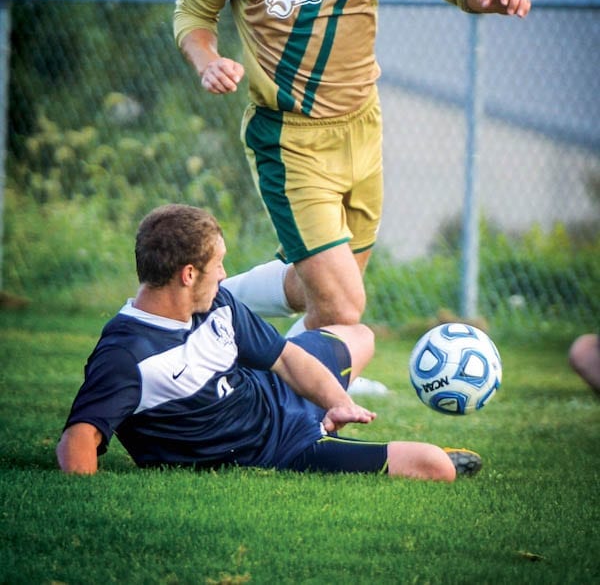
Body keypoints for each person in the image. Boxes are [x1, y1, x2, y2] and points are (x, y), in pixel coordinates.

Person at [173, 0, 531, 391]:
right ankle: (259, 380)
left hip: (364, 129)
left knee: (319, 290)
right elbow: (193, 12)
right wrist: (208, 59)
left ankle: (224, 310)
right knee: (343, 308)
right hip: (291, 140)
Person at [56, 203, 482, 480]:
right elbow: (78, 441)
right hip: (280, 448)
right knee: (435, 466)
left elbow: (287, 359)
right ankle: (438, 458)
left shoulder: (216, 303)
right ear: (188, 274)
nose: (224, 275)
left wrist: (338, 403)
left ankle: (328, 409)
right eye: (218, 265)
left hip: (276, 393)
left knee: (359, 334)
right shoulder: (126, 354)